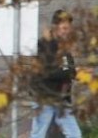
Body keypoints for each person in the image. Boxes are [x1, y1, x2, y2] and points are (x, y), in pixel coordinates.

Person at [31, 9, 84, 138]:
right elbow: (46, 72)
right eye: (64, 28)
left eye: (68, 28)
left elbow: (68, 68)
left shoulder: (63, 46)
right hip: (45, 96)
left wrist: (76, 72)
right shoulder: (45, 45)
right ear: (55, 27)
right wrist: (71, 72)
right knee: (39, 134)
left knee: (74, 134)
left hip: (61, 98)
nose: (67, 31)